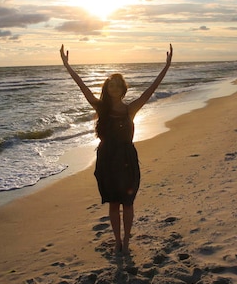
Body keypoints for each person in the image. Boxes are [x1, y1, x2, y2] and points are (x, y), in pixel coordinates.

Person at [60, 44, 173, 254]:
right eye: (111, 85)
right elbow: (82, 87)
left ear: (123, 89)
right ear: (107, 88)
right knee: (113, 203)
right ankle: (117, 241)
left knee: (128, 203)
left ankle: (127, 241)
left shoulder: (131, 109)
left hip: (127, 159)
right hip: (107, 159)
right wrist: (67, 66)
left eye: (118, 86)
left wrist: (166, 67)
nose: (115, 89)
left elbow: (150, 90)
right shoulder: (100, 108)